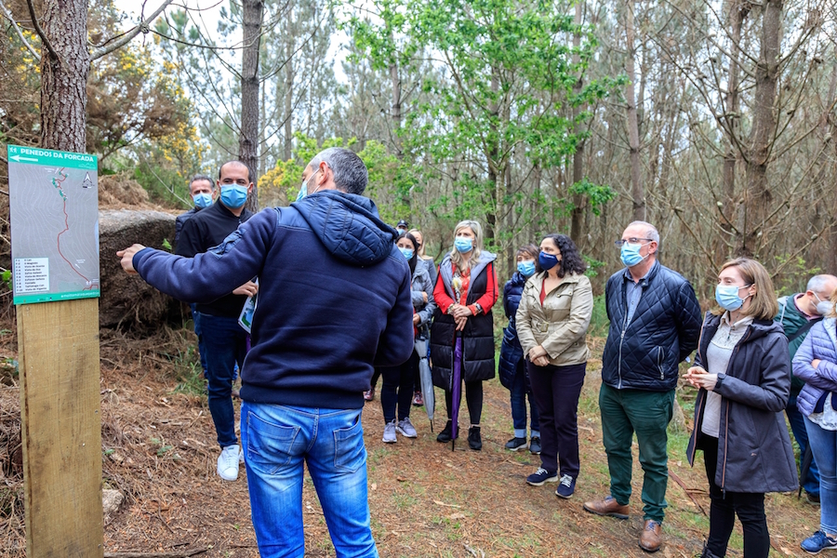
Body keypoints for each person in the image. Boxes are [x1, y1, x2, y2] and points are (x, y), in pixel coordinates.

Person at [118, 147, 414, 558]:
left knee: (281, 548)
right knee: (356, 542)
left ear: (323, 173)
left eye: (308, 171)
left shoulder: (275, 223)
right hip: (342, 417)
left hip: (274, 407)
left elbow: (200, 278)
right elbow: (397, 349)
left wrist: (144, 257)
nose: (304, 180)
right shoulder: (394, 257)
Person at [582, 221, 701, 553]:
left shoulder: (676, 285)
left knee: (653, 457)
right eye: (622, 240)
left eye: (633, 240)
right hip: (612, 383)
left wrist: (662, 360)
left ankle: (653, 518)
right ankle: (619, 499)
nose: (625, 246)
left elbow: (692, 334)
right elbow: (616, 324)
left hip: (650, 388)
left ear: (652, 246)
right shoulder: (613, 282)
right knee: (615, 447)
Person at [684, 258, 797, 558]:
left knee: (750, 513)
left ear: (752, 289)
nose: (721, 287)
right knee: (718, 499)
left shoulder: (771, 336)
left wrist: (720, 382)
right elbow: (706, 362)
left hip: (747, 440)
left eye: (729, 282)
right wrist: (699, 374)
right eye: (720, 281)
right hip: (710, 429)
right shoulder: (714, 324)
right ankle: (713, 553)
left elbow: (776, 397)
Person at [175, 161, 258, 482]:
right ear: (219, 185)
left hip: (253, 321)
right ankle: (228, 445)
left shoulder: (259, 223)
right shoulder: (198, 224)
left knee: (256, 385)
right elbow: (183, 272)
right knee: (221, 385)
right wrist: (229, 286)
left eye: (241, 181)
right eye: (228, 180)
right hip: (215, 319)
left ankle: (253, 445)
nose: (234, 186)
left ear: (250, 187)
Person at [516, 235, 593, 499]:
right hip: (536, 361)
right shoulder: (534, 281)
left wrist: (545, 348)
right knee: (544, 414)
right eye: (542, 249)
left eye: (550, 250)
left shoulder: (579, 283)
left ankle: (569, 471)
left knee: (564, 419)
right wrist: (532, 350)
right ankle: (548, 466)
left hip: (568, 363)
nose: (544, 253)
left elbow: (578, 323)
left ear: (563, 254)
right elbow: (521, 318)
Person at [430, 220, 498, 450]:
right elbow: (438, 291)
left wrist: (469, 310)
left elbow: (491, 294)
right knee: (451, 378)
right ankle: (451, 423)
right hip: (449, 326)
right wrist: (453, 308)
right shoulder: (447, 263)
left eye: (466, 233)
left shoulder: (486, 264)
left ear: (475, 238)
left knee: (473, 379)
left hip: (476, 328)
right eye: (458, 233)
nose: (461, 236)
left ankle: (475, 428)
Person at [776, 274, 837, 504]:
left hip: (805, 394)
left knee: (810, 444)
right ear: (811, 295)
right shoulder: (778, 310)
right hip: (772, 388)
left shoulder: (828, 322)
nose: (832, 304)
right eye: (829, 298)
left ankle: (815, 491)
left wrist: (821, 371)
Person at [379, 232, 436, 443]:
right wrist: (415, 297)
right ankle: (389, 423)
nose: (404, 248)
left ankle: (404, 419)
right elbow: (386, 295)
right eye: (400, 244)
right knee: (390, 380)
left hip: (416, 335)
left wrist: (420, 316)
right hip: (390, 334)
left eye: (408, 245)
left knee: (407, 380)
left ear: (415, 249)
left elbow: (431, 301)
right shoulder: (385, 266)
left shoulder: (422, 271)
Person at [795, 290, 837, 554]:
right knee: (829, 475)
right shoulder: (822, 328)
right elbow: (798, 366)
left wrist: (821, 365)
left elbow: (811, 367)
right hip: (817, 412)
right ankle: (829, 531)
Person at [498, 243, 541, 454]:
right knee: (516, 393)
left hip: (536, 347)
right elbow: (509, 312)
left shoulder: (545, 283)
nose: (523, 263)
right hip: (514, 346)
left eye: (528, 258)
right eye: (519, 259)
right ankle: (519, 436)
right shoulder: (510, 286)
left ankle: (537, 436)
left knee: (536, 394)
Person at [409, 227, 437, 406]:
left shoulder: (425, 268)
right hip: (396, 326)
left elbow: (432, 297)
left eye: (418, 241)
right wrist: (419, 296)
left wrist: (421, 316)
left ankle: (418, 391)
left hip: (419, 325)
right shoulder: (392, 265)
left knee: (419, 361)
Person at [174, 174, 216, 246]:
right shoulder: (183, 220)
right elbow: (183, 248)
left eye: (205, 191)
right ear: (191, 197)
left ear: (214, 194)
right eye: (197, 192)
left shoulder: (225, 215)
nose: (201, 195)